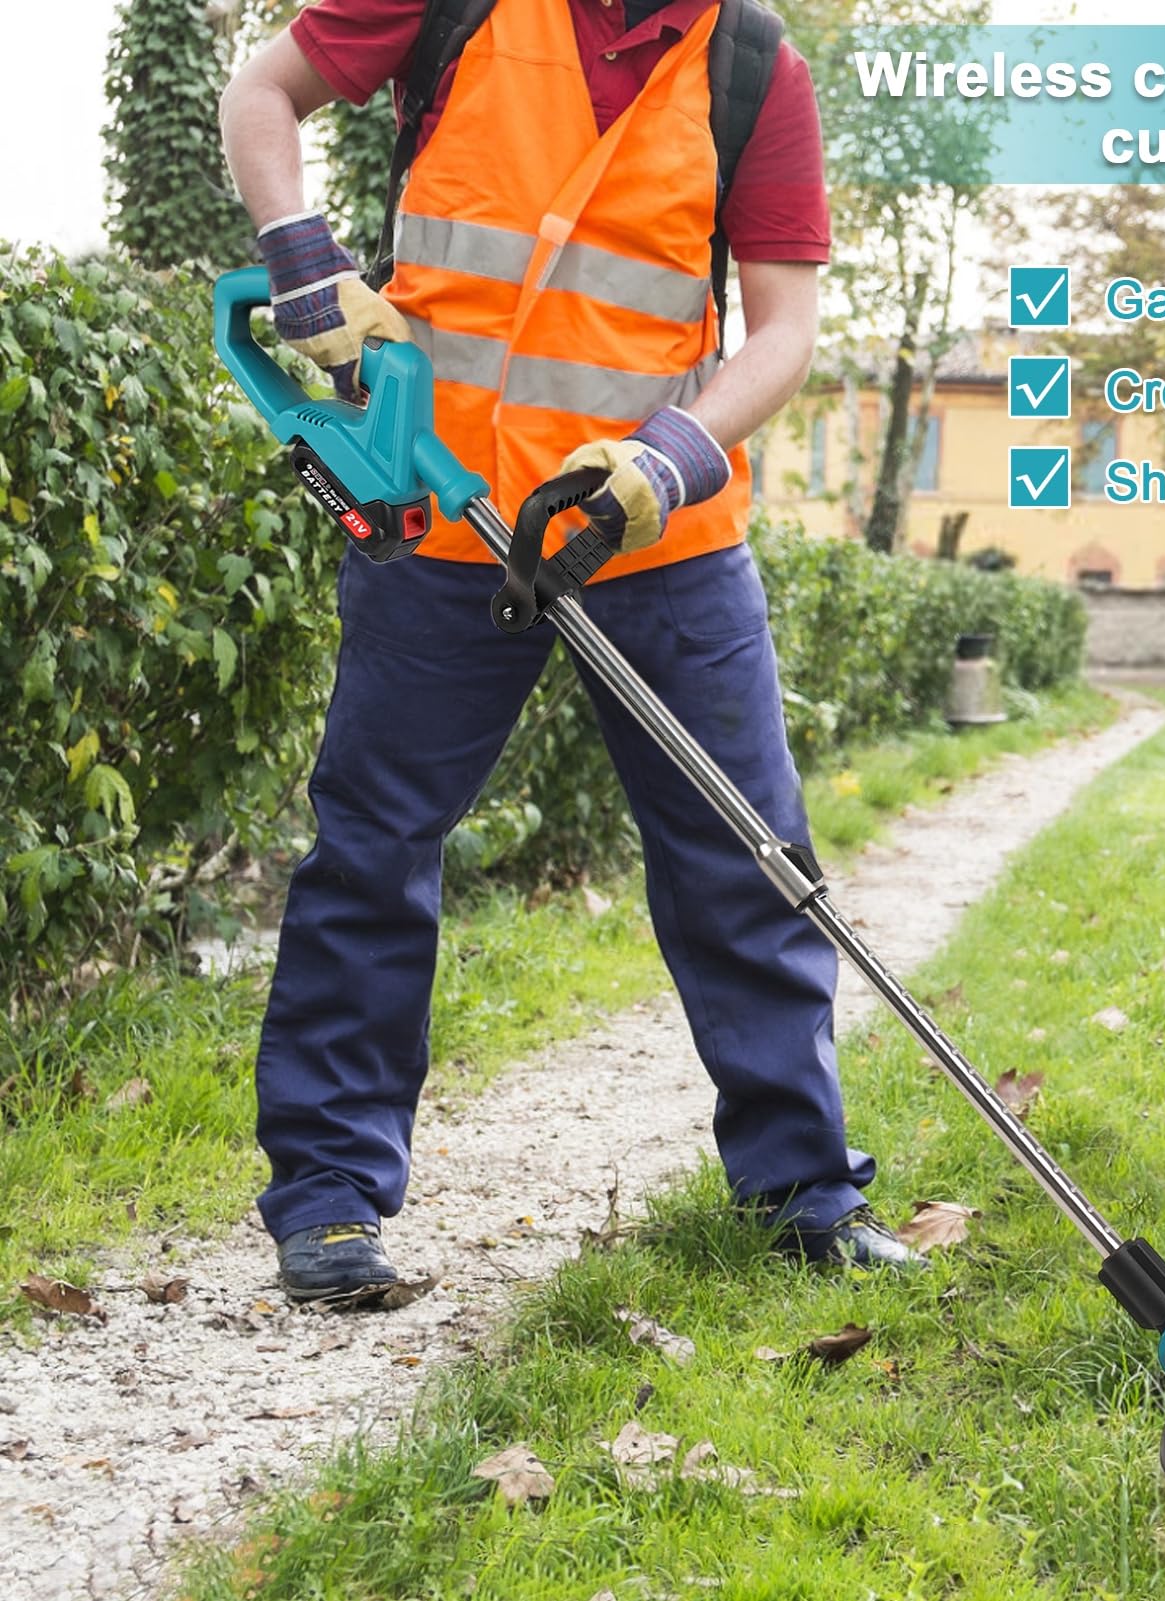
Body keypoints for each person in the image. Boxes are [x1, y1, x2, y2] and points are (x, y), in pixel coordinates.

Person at [219, 0, 922, 1304]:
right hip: (440, 510)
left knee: (748, 866)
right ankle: (326, 1202)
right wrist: (304, 263)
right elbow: (262, 94)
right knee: (371, 853)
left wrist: (665, 457)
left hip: (653, 533)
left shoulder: (753, 70)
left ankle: (800, 1199)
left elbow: (782, 331)